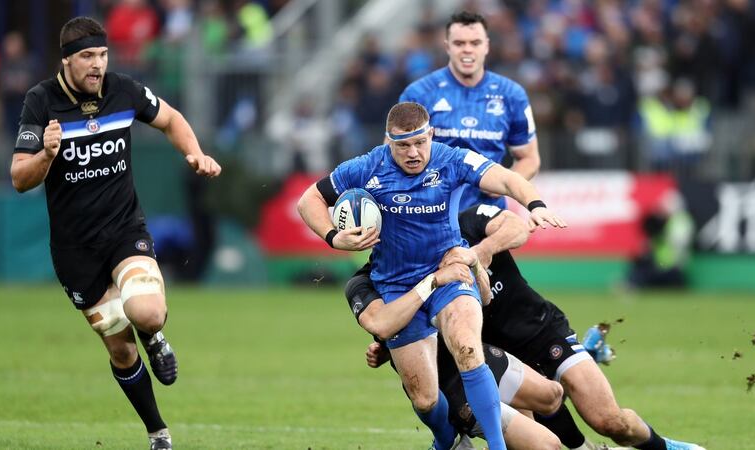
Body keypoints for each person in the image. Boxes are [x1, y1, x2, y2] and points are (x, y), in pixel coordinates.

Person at [297, 101, 566, 450]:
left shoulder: (451, 160)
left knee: (468, 347)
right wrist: (334, 237)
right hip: (396, 286)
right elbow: (309, 201)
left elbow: (506, 178)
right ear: (388, 141)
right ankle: (446, 441)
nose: (413, 152)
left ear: (431, 135)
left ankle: (496, 447)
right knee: (424, 399)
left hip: (448, 273)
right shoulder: (366, 167)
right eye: (403, 145)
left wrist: (535, 205)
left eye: (420, 142)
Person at [10, 17, 221, 450]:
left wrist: (195, 153)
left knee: (145, 312)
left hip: (124, 230)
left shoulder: (123, 90)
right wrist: (47, 155)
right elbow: (19, 178)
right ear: (66, 60)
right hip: (75, 251)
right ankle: (157, 433)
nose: (97, 65)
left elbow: (171, 119)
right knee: (121, 352)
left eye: (102, 55)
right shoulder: (41, 102)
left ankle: (156, 336)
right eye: (87, 56)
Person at [429, 204, 706, 450]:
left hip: (543, 331)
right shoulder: (416, 261)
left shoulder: (470, 219)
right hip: (498, 355)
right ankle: (588, 355)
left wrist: (482, 251)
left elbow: (518, 228)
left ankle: (665, 447)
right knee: (549, 435)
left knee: (610, 422)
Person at [346, 253, 564, 450]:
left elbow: (486, 298)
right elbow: (382, 325)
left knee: (553, 396)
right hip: (449, 384)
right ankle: (461, 436)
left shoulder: (433, 248)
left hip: (476, 357)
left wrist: (475, 262)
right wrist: (433, 281)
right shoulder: (362, 283)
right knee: (548, 446)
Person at [400, 10, 541, 212]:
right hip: (432, 215)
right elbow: (393, 153)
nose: (467, 50)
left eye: (475, 43)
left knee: (513, 232)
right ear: (447, 47)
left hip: (487, 213)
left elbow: (530, 158)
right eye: (459, 43)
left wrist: (503, 184)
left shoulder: (512, 94)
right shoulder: (419, 93)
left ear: (487, 46)